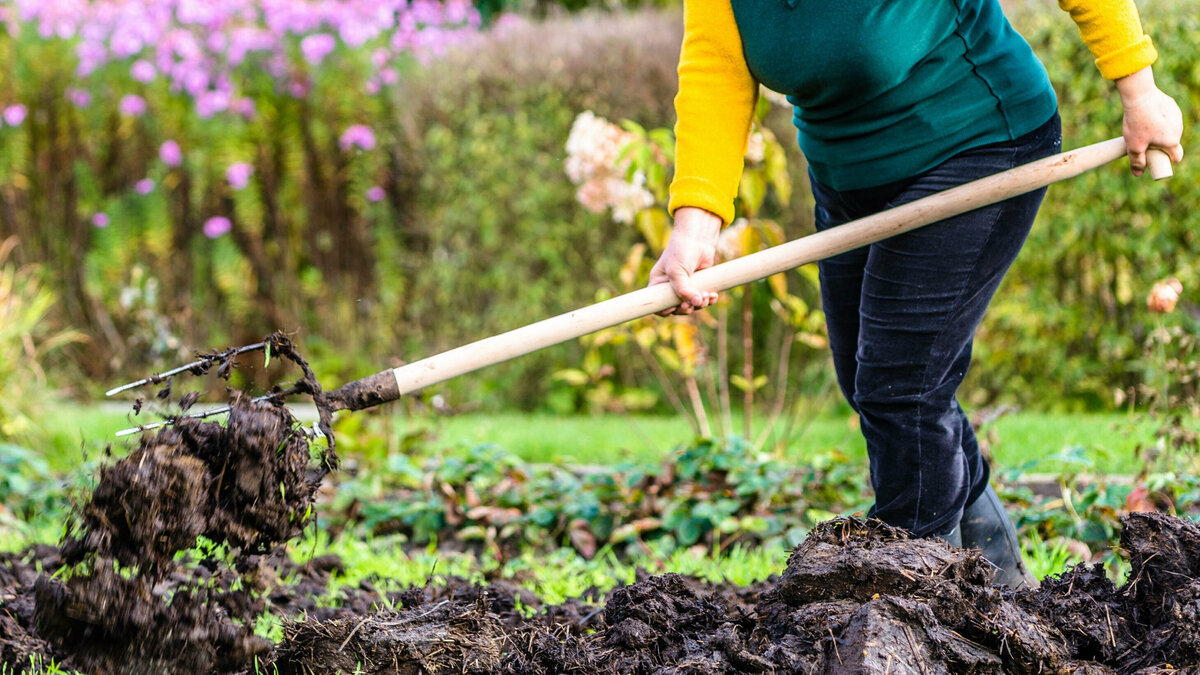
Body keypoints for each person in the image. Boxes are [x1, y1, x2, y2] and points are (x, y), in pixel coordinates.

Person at [649, 0, 1184, 587]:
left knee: (901, 390)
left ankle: (917, 604)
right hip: (848, 175)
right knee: (875, 387)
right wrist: (694, 226)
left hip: (975, 141)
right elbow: (716, 68)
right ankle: (1002, 589)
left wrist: (1139, 89)